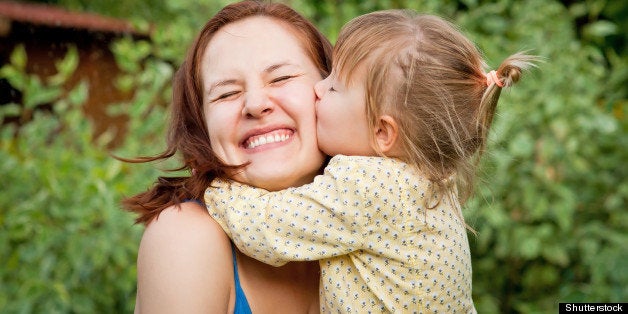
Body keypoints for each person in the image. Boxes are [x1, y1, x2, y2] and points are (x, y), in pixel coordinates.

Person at [205, 9, 538, 313]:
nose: (318, 90)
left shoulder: (368, 185)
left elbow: (266, 230)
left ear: (382, 132)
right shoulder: (431, 178)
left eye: (335, 87)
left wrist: (214, 185)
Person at [120, 1, 333, 313]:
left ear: (333, 89)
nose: (256, 104)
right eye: (227, 93)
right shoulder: (185, 237)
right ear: (202, 127)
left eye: (281, 78)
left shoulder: (391, 215)